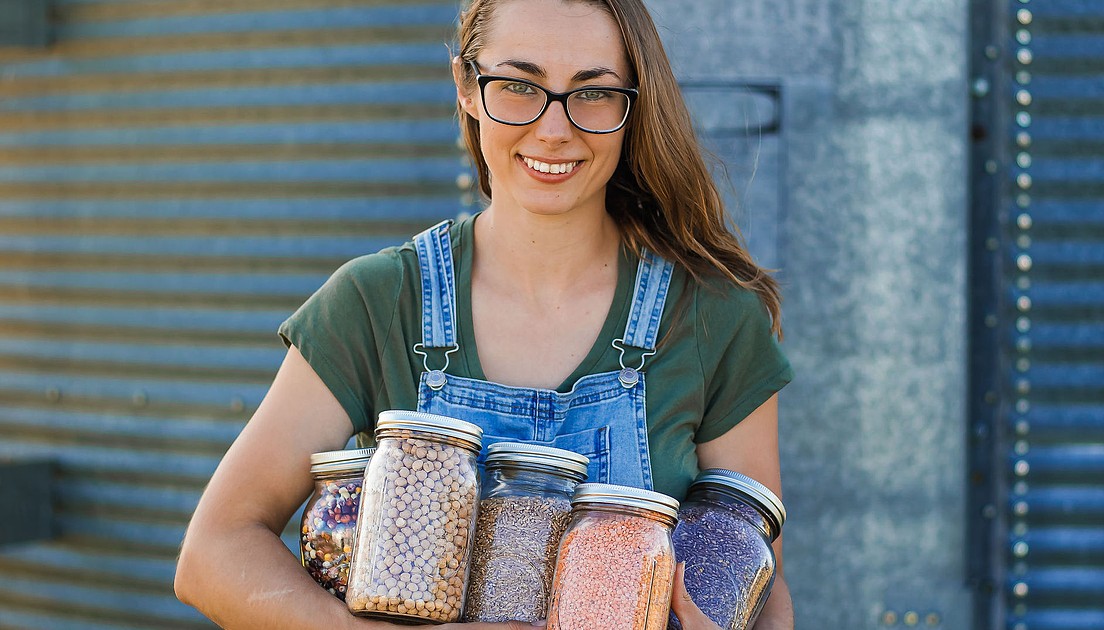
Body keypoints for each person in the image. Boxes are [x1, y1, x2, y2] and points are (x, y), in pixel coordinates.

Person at [174, 0, 794, 627]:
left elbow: (762, 589)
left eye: (594, 93)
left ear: (634, 106)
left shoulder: (715, 317)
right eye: (519, 86)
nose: (554, 130)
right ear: (467, 87)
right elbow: (215, 551)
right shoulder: (378, 302)